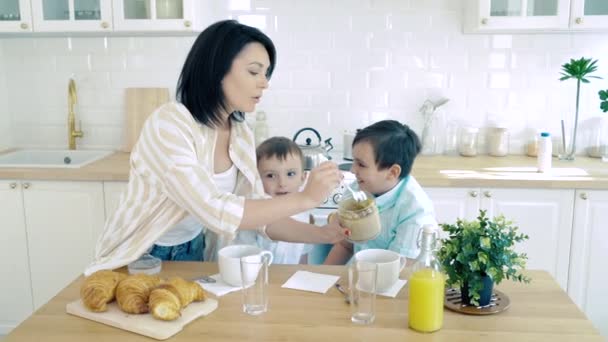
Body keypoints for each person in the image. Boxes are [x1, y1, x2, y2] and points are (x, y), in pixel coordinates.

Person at [85, 20, 345, 275]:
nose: (264, 82)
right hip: (140, 253)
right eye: (254, 72)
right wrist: (304, 199)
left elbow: (257, 212)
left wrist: (323, 235)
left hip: (194, 249)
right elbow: (214, 209)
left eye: (266, 74)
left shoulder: (240, 132)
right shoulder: (170, 123)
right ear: (216, 69)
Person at [324, 120, 437, 265]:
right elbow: (345, 245)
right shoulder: (359, 189)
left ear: (392, 172)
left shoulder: (415, 212)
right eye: (354, 161)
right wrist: (322, 277)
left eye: (361, 164)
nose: (353, 170)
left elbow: (399, 269)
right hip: (357, 276)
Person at [255, 137, 347, 264]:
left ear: (303, 178)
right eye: (271, 175)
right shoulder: (256, 209)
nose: (282, 183)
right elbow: (271, 225)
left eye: (290, 174)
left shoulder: (305, 217)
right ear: (257, 179)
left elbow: (302, 259)